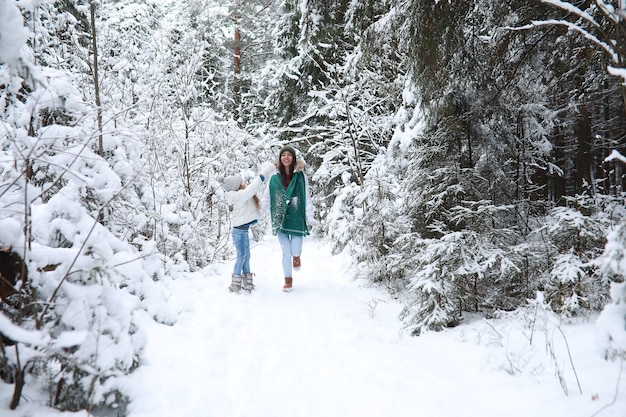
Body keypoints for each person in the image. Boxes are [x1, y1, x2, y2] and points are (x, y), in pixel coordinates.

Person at [262, 145, 318, 292]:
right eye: (283, 155)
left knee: (294, 249)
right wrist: (256, 215)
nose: (286, 157)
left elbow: (306, 197)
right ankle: (288, 280)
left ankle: (297, 255)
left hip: (297, 218)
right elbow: (266, 199)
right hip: (280, 219)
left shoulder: (301, 177)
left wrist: (310, 217)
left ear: (293, 158)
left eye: (289, 155)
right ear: (280, 159)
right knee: (285, 250)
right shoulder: (273, 179)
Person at [219, 162, 275, 293]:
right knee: (241, 256)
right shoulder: (238, 196)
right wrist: (265, 173)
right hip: (239, 232)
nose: (244, 183)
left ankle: (248, 282)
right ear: (238, 186)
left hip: (242, 231)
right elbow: (252, 188)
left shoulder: (239, 196)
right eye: (241, 182)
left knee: (246, 256)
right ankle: (235, 284)